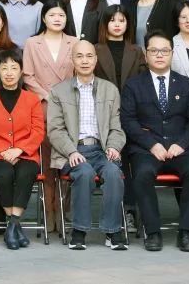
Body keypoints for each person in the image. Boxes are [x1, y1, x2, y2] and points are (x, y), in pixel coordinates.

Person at [119, 32, 189, 252]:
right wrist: (151, 144)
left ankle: (186, 232)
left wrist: (181, 144)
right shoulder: (133, 85)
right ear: (146, 55)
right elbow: (128, 120)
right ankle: (153, 232)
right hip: (147, 149)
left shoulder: (186, 84)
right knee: (142, 174)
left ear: (172, 54)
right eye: (154, 51)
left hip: (181, 149)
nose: (159, 55)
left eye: (164, 51)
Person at [46, 40, 128, 251]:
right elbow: (55, 130)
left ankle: (113, 231)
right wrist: (71, 151)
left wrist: (113, 146)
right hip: (73, 150)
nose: (85, 61)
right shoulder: (59, 91)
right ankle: (79, 230)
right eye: (79, 56)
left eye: (89, 56)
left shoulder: (110, 90)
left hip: (101, 150)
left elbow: (117, 128)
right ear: (72, 60)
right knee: (84, 173)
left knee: (113, 173)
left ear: (95, 59)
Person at [0, 48, 45, 250]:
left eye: (14, 68)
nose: (9, 72)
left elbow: (38, 130)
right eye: (4, 68)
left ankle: (12, 225)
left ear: (21, 71)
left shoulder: (32, 99)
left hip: (26, 154)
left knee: (26, 172)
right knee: (5, 173)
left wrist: (20, 150)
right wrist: (3, 151)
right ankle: (15, 226)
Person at [94, 5, 145, 89]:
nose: (117, 25)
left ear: (127, 24)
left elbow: (143, 80)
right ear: (105, 23)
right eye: (112, 20)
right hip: (103, 95)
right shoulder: (94, 50)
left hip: (131, 96)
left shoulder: (137, 51)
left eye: (121, 21)